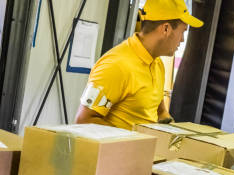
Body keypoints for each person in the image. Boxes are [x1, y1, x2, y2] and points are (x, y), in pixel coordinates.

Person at [74, 0, 203, 130]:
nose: (182, 39)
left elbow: (160, 112)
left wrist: (174, 133)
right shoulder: (116, 65)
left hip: (145, 148)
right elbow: (84, 120)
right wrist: (134, 140)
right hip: (122, 149)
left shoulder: (157, 64)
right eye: (183, 32)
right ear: (166, 29)